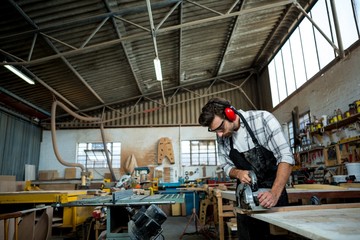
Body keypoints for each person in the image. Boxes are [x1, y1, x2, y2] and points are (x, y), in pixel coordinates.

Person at [198, 97, 294, 240]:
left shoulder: (263, 120)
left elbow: (285, 156)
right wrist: (237, 173)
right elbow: (225, 165)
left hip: (273, 193)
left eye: (220, 128)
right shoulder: (223, 136)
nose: (219, 134)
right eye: (215, 131)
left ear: (230, 113)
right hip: (245, 198)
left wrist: (274, 193)